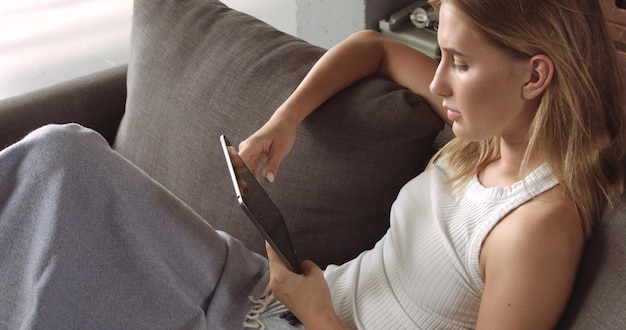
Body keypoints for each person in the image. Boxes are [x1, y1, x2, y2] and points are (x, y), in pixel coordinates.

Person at [0, 0, 623, 329]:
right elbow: (376, 49)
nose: (437, 81)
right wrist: (285, 120)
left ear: (536, 75)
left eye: (459, 62)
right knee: (64, 157)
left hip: (302, 319)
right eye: (441, 54)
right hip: (257, 296)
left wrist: (321, 316)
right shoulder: (490, 128)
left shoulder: (534, 226)